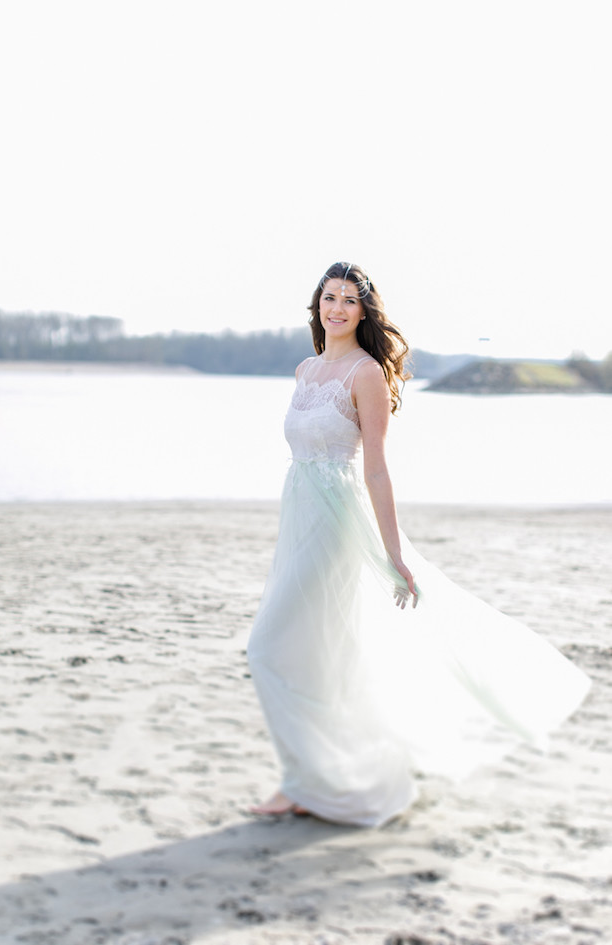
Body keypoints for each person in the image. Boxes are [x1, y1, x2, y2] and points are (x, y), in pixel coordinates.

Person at [247, 261, 590, 827]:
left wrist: (394, 552)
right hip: (300, 512)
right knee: (313, 654)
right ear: (317, 306)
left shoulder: (366, 375)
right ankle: (307, 781)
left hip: (336, 520)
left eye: (349, 301)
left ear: (364, 312)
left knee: (268, 647)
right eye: (328, 298)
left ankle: (320, 782)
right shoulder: (306, 369)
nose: (337, 308)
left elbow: (377, 471)